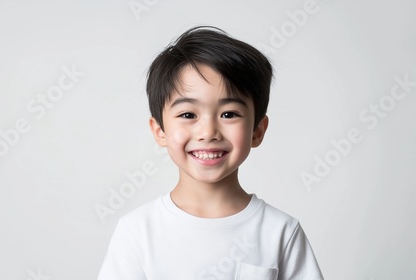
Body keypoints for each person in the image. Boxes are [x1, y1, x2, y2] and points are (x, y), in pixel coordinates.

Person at [97, 26, 324, 280]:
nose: (208, 132)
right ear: (160, 130)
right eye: (188, 115)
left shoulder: (281, 232)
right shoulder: (137, 231)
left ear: (257, 131)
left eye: (229, 114)